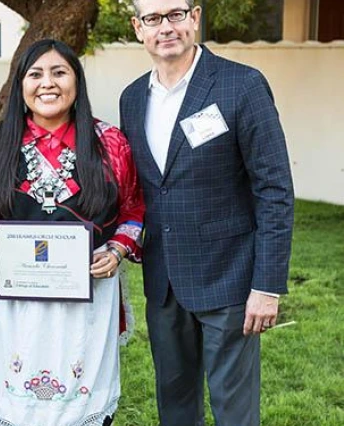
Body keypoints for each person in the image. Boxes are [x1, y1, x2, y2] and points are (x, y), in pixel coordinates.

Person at [119, 1, 295, 425]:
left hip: (229, 280)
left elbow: (274, 190)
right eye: (154, 19)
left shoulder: (242, 86)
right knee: (175, 407)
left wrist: (267, 286)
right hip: (164, 283)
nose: (166, 27)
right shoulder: (131, 99)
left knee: (234, 412)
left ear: (195, 18)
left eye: (176, 14)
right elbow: (140, 190)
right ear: (138, 27)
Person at [0, 39, 144, 426]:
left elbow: (133, 210)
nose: (47, 83)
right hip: (13, 305)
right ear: (20, 85)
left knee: (79, 408)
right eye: (35, 74)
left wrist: (115, 251)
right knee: (13, 405)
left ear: (77, 82)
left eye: (59, 72)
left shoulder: (109, 144)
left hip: (86, 306)